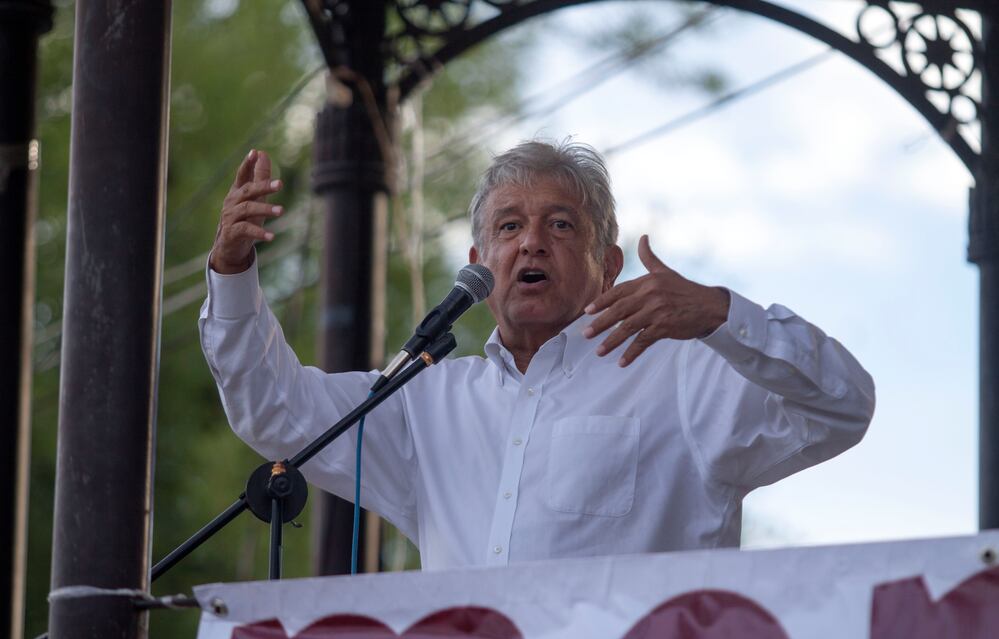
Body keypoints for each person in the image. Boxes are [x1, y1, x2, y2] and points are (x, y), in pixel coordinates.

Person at [200, 141, 875, 571]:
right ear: (478, 263)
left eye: (559, 225)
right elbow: (275, 410)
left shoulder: (682, 372)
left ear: (606, 265)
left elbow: (842, 405)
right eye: (508, 226)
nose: (530, 244)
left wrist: (725, 316)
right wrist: (231, 273)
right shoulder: (425, 401)